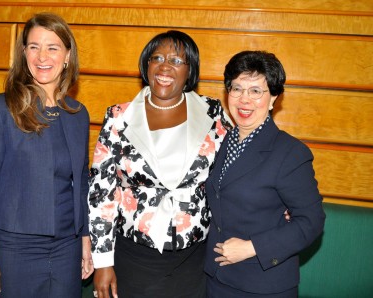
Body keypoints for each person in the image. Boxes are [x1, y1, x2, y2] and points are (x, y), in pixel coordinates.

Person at [88, 30, 233, 298]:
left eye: (177, 61)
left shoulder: (214, 114)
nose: (165, 66)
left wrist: (274, 204)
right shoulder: (118, 117)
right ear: (146, 65)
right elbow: (102, 193)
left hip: (194, 259)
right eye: (157, 57)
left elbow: (239, 168)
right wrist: (103, 261)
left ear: (190, 71)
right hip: (134, 256)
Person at [0, 12, 93, 298]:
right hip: (13, 249)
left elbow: (82, 183)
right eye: (34, 46)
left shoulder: (78, 114)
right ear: (23, 53)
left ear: (67, 56)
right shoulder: (0, 108)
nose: (42, 56)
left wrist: (85, 239)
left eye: (52, 47)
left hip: (67, 247)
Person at [204, 50, 326, 297]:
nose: (244, 99)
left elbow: (312, 221)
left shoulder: (290, 153)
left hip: (262, 284)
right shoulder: (220, 141)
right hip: (214, 278)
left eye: (256, 91)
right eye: (237, 88)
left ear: (273, 98)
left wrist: (252, 248)